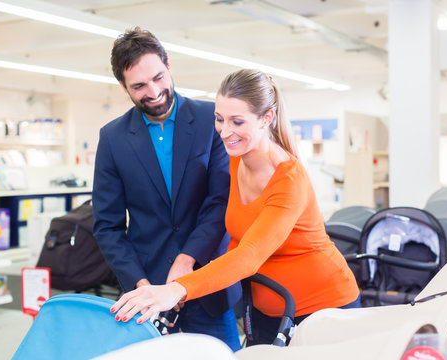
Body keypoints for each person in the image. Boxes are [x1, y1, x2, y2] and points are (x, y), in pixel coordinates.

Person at [110, 69, 361, 345]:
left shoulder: (289, 179)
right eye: (219, 119)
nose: (225, 131)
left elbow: (250, 254)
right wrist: (185, 272)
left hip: (322, 308)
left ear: (266, 119)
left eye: (237, 122)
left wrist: (177, 290)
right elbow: (233, 232)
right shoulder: (236, 159)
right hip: (268, 308)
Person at [92, 27, 241, 351]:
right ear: (123, 87)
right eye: (139, 86)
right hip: (147, 290)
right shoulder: (113, 138)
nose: (154, 91)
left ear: (168, 65)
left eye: (159, 77)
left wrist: (186, 261)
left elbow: (220, 202)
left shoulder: (211, 119)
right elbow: (108, 226)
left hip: (206, 281)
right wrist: (143, 285)